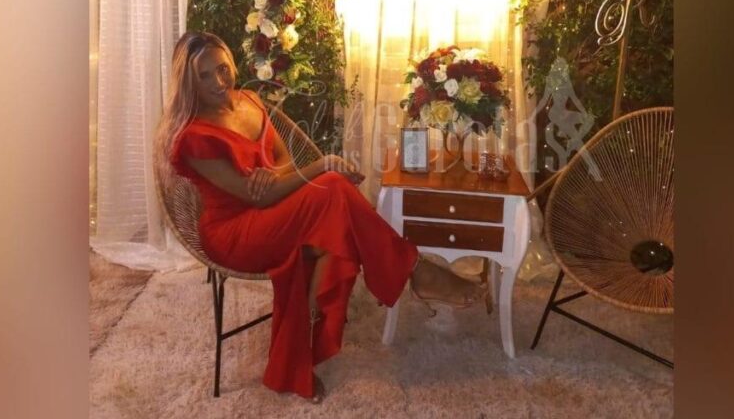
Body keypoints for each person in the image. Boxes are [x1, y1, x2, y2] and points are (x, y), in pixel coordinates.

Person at [154, 32, 486, 403]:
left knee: (336, 226)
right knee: (332, 187)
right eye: (203, 76)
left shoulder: (249, 100)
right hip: (235, 233)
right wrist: (321, 165)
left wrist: (274, 174)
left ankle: (303, 352)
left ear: (231, 62)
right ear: (188, 82)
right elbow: (254, 196)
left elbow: (283, 162)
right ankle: (414, 269)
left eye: (222, 68)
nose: (218, 81)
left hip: (274, 212)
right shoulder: (194, 137)